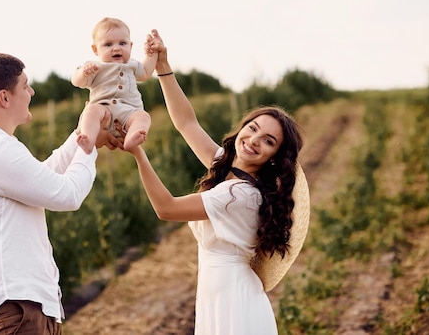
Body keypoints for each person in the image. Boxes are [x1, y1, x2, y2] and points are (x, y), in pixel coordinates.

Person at [125, 30, 309, 334]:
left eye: (268, 141)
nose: (253, 140)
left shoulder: (236, 194)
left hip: (232, 297)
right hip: (221, 290)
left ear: (274, 157)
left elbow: (166, 208)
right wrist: (163, 68)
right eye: (252, 128)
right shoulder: (229, 170)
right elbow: (186, 123)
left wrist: (138, 154)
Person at [0, 52, 121, 335]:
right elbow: (67, 194)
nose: (31, 92)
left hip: (17, 310)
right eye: (26, 86)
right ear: (4, 98)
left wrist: (83, 132)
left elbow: (44, 178)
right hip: (14, 314)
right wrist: (87, 143)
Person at [72, 17, 157, 153]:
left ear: (131, 46)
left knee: (143, 116)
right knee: (91, 111)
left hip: (128, 112)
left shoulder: (132, 65)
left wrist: (151, 54)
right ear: (95, 49)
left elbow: (146, 72)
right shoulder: (95, 66)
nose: (116, 48)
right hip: (103, 110)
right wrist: (83, 73)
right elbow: (76, 81)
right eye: (108, 44)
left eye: (122, 43)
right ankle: (88, 138)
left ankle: (132, 137)